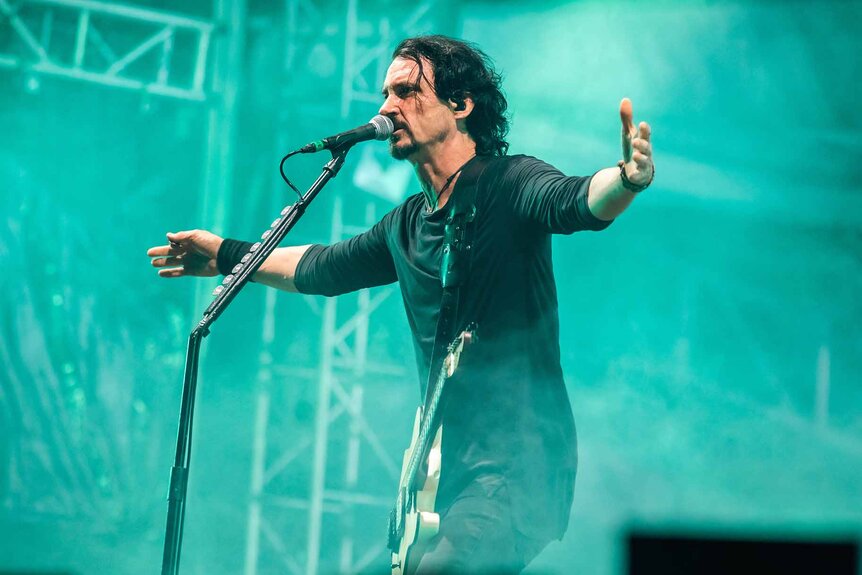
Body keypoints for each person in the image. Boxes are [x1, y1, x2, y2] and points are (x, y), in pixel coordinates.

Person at [148, 35, 654, 574]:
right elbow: (320, 267)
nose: (387, 107)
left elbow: (574, 200)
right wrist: (227, 256)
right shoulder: (407, 224)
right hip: (446, 482)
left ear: (460, 105)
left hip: (516, 471)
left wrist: (625, 179)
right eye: (386, 94)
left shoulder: (509, 182)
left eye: (407, 91)